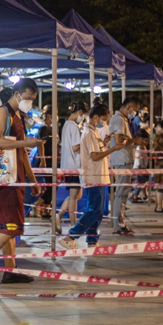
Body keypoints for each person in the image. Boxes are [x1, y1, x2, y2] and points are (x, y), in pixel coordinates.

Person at [0, 79, 45, 284]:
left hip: (16, 177)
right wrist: (28, 142)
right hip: (5, 177)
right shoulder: (2, 112)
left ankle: (11, 270)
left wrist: (33, 180)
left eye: (33, 100)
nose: (30, 103)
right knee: (13, 226)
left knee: (7, 224)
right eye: (27, 98)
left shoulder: (18, 115)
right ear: (17, 94)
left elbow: (22, 153)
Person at [60, 103, 126, 249]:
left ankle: (92, 240)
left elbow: (97, 151)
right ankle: (71, 235)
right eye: (104, 118)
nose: (105, 122)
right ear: (95, 117)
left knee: (98, 211)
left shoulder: (93, 131)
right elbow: (94, 156)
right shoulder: (88, 132)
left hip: (100, 176)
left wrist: (105, 143)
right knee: (94, 210)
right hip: (93, 176)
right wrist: (114, 148)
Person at [108, 96, 139, 235]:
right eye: (135, 110)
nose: (135, 113)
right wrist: (134, 140)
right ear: (129, 107)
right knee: (121, 194)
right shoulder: (119, 119)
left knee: (122, 193)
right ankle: (118, 225)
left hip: (124, 160)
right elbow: (119, 140)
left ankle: (118, 223)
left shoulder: (122, 119)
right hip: (122, 160)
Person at [56, 101, 87, 231]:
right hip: (73, 165)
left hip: (68, 165)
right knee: (74, 196)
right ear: (80, 113)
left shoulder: (66, 125)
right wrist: (86, 144)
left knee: (76, 195)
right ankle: (72, 223)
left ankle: (59, 216)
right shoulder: (73, 126)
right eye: (84, 114)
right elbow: (75, 147)